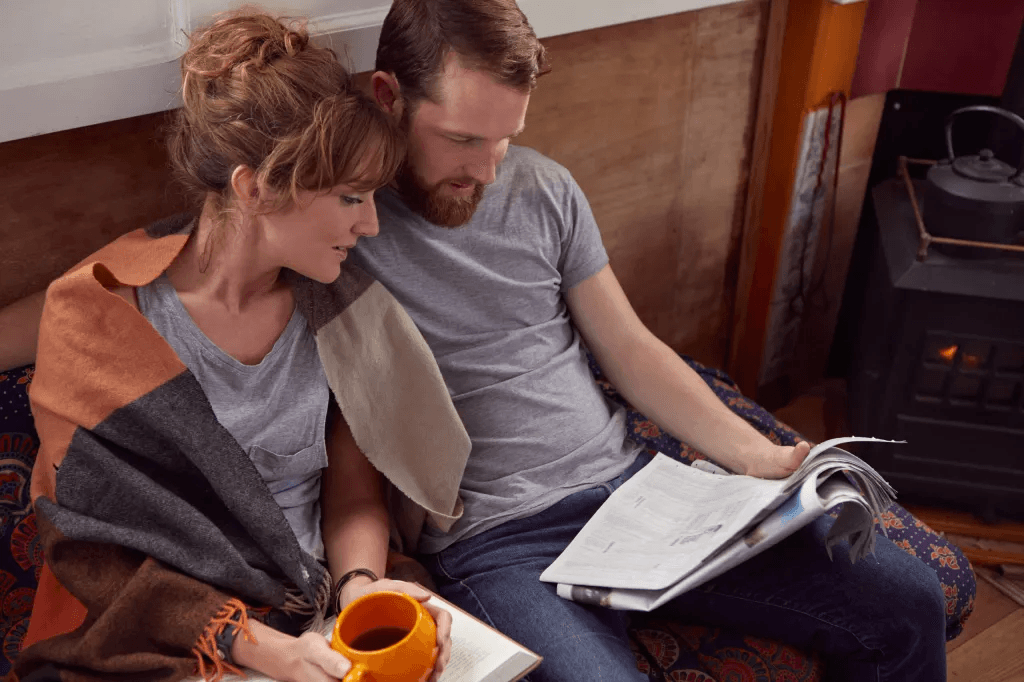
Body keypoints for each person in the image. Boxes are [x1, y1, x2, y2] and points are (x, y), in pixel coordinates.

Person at [1, 1, 950, 681]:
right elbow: (128, 284)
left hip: (633, 495)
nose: (487, 172)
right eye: (462, 141)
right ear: (389, 97)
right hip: (496, 543)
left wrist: (762, 458)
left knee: (903, 599)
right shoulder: (324, 232)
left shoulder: (535, 191)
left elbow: (631, 349)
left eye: (506, 140)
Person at [9, 11, 466, 682]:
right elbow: (100, 558)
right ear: (255, 188)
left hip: (315, 606)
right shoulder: (103, 324)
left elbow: (351, 489)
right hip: (164, 637)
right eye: (350, 198)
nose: (370, 225)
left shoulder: (339, 313)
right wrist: (256, 647)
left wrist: (364, 585)